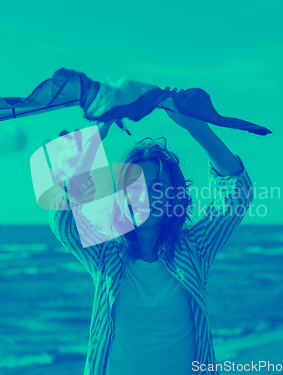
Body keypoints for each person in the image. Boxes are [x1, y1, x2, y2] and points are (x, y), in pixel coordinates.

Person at [48, 103, 254, 375]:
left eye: (157, 187)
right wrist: (96, 133)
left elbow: (237, 191)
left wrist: (195, 126)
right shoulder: (105, 253)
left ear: (174, 196)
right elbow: (62, 218)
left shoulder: (195, 247)